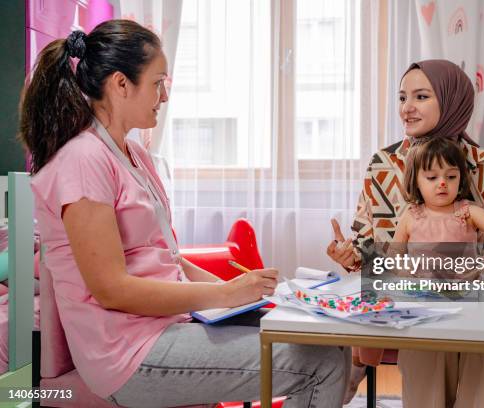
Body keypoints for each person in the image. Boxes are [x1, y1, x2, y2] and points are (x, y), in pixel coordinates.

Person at [20, 20, 348, 407]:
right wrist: (223, 292)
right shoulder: (82, 160)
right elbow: (110, 288)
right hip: (128, 352)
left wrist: (247, 296)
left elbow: (168, 260)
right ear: (121, 84)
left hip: (164, 328)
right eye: (158, 83)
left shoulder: (134, 155)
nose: (164, 96)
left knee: (323, 339)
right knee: (321, 363)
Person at [327, 59, 484, 406]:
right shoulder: (384, 164)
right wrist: (350, 256)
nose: (406, 108)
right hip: (417, 300)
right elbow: (374, 252)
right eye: (402, 97)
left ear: (452, 99)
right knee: (427, 358)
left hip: (474, 298)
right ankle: (360, 363)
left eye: (421, 96)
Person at [393, 136, 484, 407]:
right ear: (416, 181)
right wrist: (403, 272)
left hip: (468, 303)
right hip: (425, 305)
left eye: (450, 176)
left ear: (460, 179)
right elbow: (392, 256)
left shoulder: (467, 211)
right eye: (432, 176)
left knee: (482, 359)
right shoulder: (410, 217)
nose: (442, 183)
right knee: (426, 368)